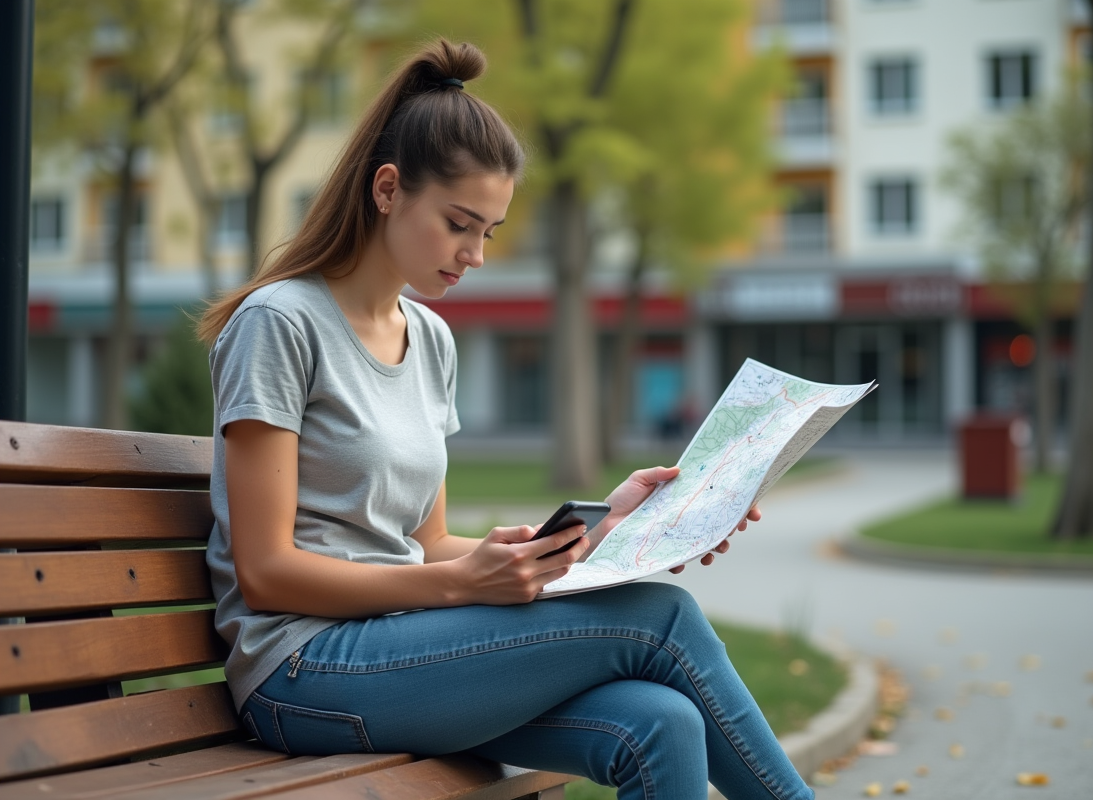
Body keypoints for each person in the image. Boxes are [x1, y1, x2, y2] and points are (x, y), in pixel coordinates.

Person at [197, 39, 815, 800]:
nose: (476, 254)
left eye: (487, 232)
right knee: (660, 619)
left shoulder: (429, 340)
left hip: (398, 653)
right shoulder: (279, 324)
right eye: (460, 224)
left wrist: (599, 532)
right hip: (302, 671)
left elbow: (424, 546)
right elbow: (264, 573)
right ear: (388, 189)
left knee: (664, 723)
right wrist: (460, 586)